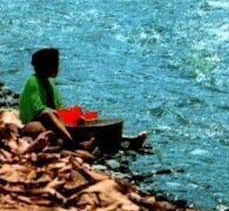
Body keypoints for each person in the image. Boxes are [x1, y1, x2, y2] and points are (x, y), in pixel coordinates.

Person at [19, 48, 147, 150]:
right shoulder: (32, 82)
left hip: (53, 122)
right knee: (49, 113)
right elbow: (39, 111)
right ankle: (72, 144)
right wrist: (60, 116)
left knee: (82, 117)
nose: (58, 67)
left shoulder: (50, 83)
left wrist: (75, 116)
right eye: (56, 64)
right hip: (34, 123)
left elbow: (60, 109)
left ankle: (126, 140)